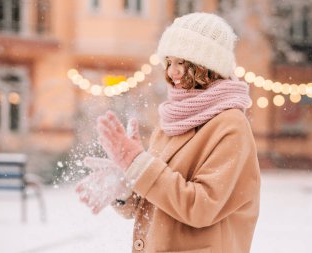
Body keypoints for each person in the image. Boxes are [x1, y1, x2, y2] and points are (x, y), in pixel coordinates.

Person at [76, 12, 260, 253]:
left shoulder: (231, 125)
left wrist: (138, 164)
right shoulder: (172, 121)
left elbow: (201, 206)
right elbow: (157, 200)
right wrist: (127, 187)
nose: (172, 72)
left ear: (206, 65)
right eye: (169, 62)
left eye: (182, 63)